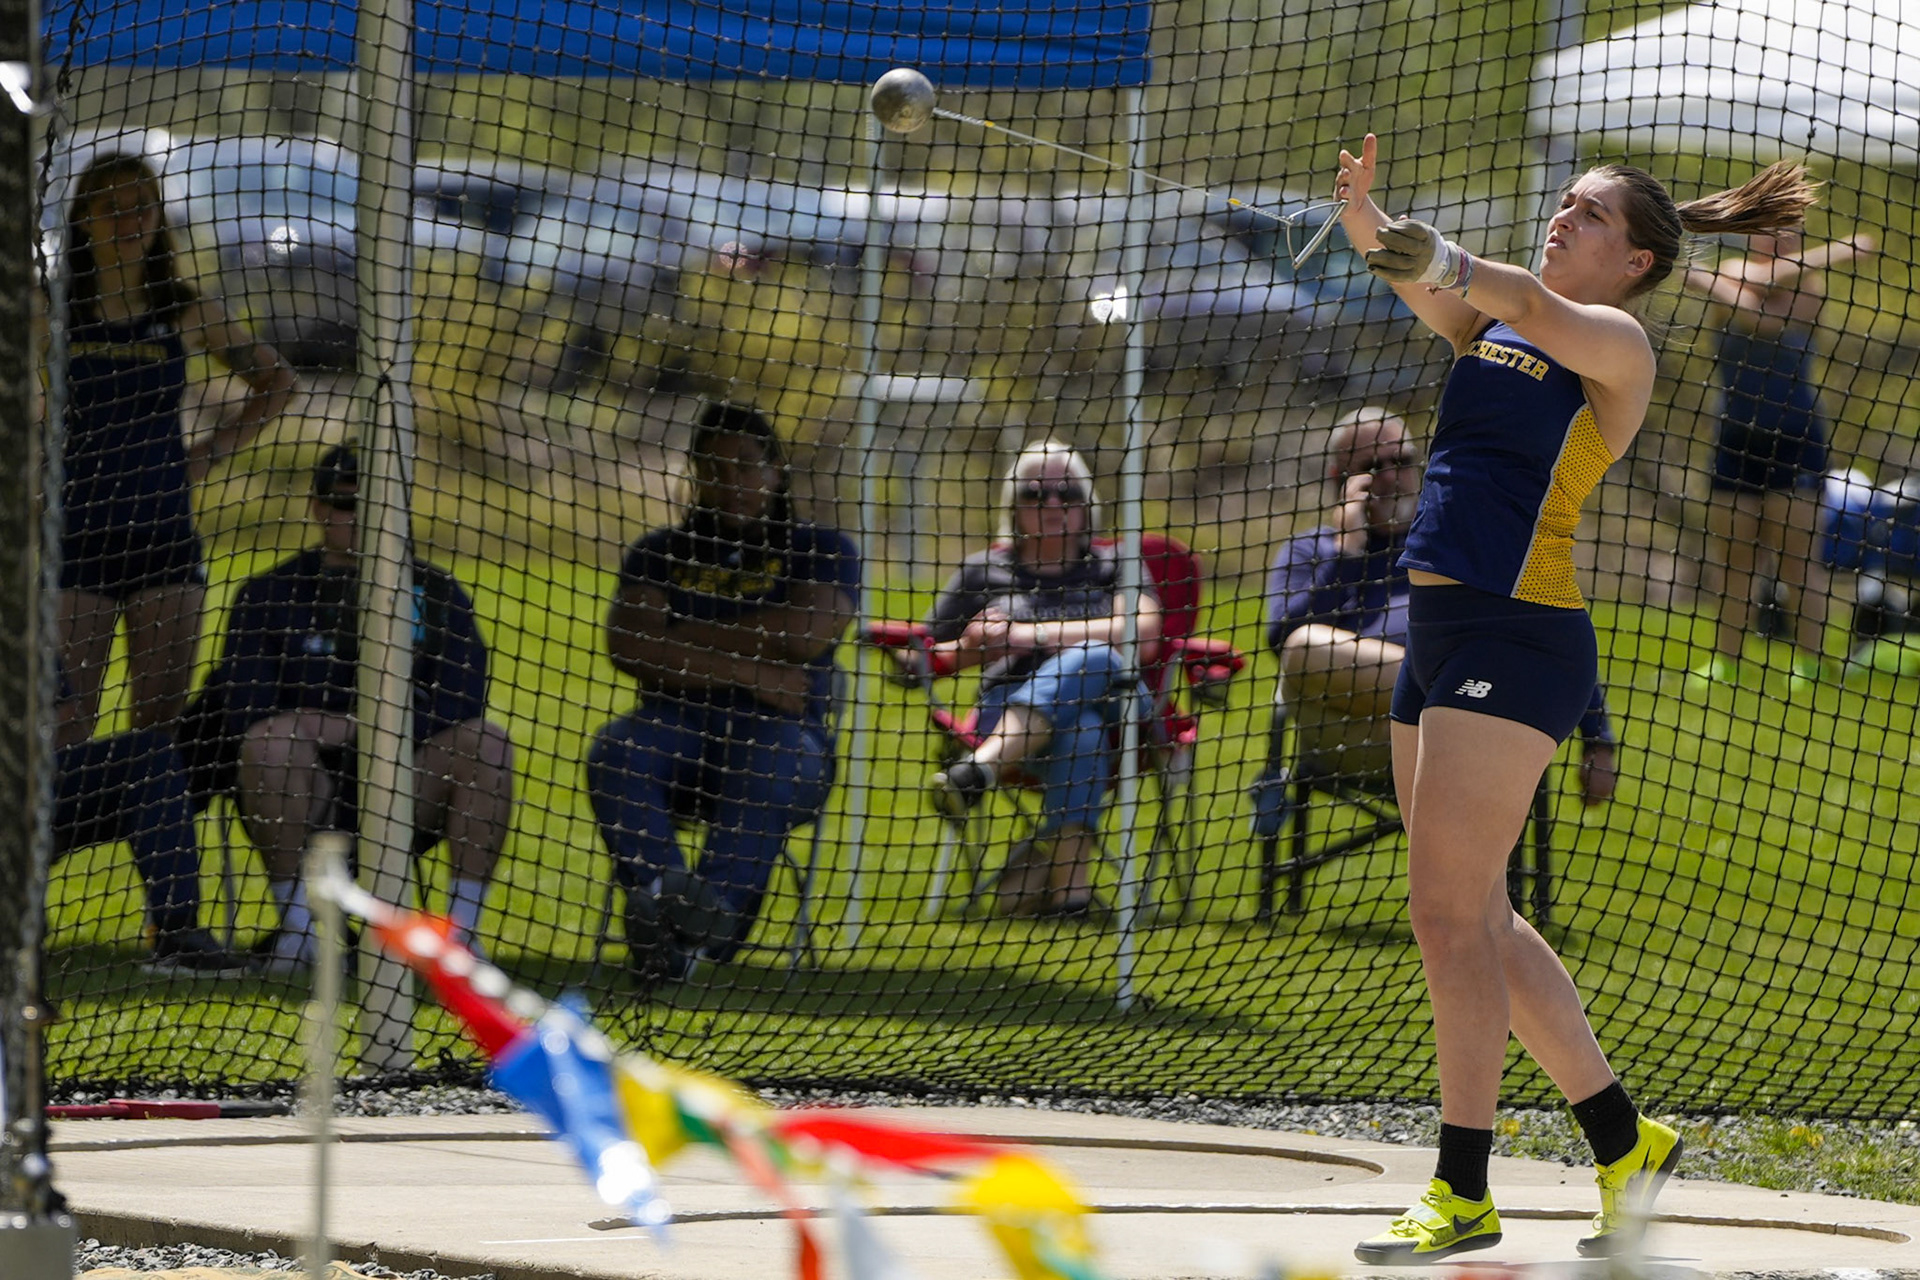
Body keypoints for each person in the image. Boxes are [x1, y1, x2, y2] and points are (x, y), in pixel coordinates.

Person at [1332, 133, 1818, 1263]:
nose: (1564, 217)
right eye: (1566, 203)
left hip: (1520, 633)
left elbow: (1499, 288)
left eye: (1591, 213)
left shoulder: (1614, 341)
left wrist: (1444, 255)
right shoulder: (1495, 325)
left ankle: (1462, 1187)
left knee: (1446, 913)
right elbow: (1430, 283)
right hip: (1438, 635)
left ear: (1637, 260)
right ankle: (1624, 1140)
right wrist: (1366, 217)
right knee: (1479, 913)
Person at [210, 446, 513, 975]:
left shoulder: (436, 592)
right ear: (318, 507)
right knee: (268, 741)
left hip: (406, 786)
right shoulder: (268, 593)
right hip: (301, 790)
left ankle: (459, 941)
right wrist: (323, 730)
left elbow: (463, 698)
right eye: (346, 504)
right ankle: (300, 935)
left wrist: (360, 729)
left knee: (488, 741)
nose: (360, 518)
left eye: (377, 505)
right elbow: (240, 707)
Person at [587, 403, 859, 983]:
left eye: (745, 466)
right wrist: (751, 672)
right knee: (616, 752)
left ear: (776, 471)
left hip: (785, 737)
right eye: (713, 469)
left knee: (770, 761)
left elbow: (804, 634)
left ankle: (696, 933)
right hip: (676, 728)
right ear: (696, 474)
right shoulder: (660, 552)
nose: (731, 482)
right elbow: (630, 647)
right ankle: (669, 910)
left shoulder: (823, 549)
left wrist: (681, 637)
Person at [1253, 406, 1616, 835]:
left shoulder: (1455, 541)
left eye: (1402, 461)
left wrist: (1598, 738)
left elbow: (1546, 621)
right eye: (1373, 467)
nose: (1391, 477)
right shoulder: (1311, 550)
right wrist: (1347, 551)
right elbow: (1284, 639)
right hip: (1356, 738)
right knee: (1305, 646)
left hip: (1462, 736)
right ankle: (1453, 686)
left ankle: (1455, 691)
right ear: (1340, 478)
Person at [58, 153, 296, 738]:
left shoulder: (184, 309)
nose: (129, 221)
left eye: (142, 207)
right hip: (75, 539)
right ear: (84, 219)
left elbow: (279, 382)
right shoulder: (51, 311)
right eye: (112, 208)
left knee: (159, 731)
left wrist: (209, 452)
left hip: (165, 539)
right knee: (63, 725)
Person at [921, 441, 1162, 917]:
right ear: (1013, 504)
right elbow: (928, 654)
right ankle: (1071, 899)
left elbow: (1143, 635)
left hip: (1120, 707)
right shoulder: (982, 570)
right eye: (1035, 493)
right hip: (1007, 708)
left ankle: (977, 772)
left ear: (1086, 503)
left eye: (1066, 493)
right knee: (1082, 730)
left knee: (1094, 656)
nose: (1053, 504)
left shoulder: (1116, 563)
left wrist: (1028, 635)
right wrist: (973, 646)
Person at [1682, 227, 1875, 691]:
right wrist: (1837, 251)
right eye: (1766, 235)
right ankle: (1727, 663)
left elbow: (1768, 318)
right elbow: (1751, 304)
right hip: (1735, 440)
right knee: (1734, 560)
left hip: (1796, 440)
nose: (1776, 243)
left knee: (1797, 562)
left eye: (1787, 236)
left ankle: (1812, 664)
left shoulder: (1809, 291)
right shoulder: (1734, 272)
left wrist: (1709, 279)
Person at [52, 672, 250, 974]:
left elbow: (65, 714)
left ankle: (178, 932)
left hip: (36, 784)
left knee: (150, 757)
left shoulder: (19, 647)